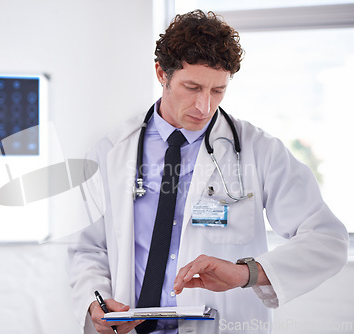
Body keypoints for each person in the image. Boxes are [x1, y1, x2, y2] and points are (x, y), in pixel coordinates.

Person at [68, 10, 348, 334]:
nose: (204, 106)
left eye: (218, 91)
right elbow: (87, 248)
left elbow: (329, 239)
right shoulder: (112, 151)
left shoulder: (260, 150)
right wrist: (95, 303)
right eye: (192, 87)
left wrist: (248, 273)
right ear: (161, 73)